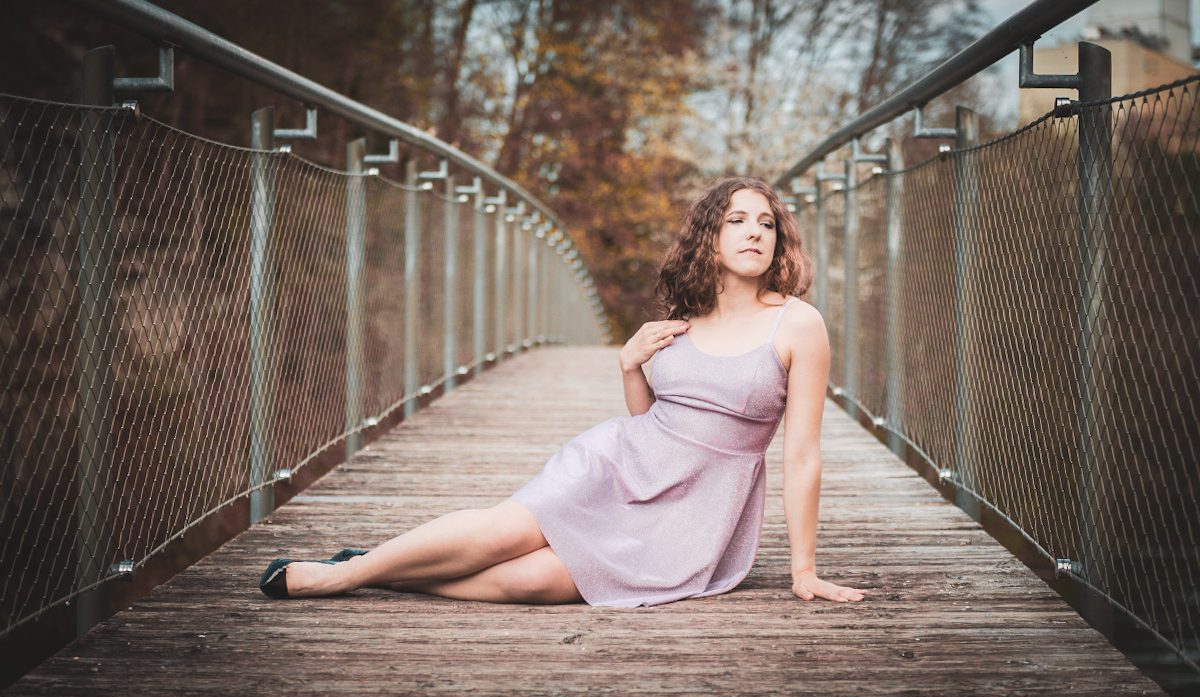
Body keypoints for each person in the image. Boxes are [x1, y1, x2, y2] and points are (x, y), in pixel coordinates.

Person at [259, 176, 868, 607]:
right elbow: (652, 421)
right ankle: (338, 577)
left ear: (779, 240)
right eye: (737, 220)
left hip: (695, 510)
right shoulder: (683, 319)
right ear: (710, 237)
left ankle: (373, 570)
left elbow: (802, 455)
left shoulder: (797, 324)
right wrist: (630, 368)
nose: (754, 232)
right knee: (502, 534)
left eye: (766, 223)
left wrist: (804, 569)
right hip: (619, 464)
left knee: (527, 582)